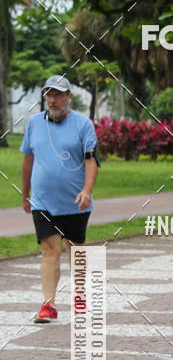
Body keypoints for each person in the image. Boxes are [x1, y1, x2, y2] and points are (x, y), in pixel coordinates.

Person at [21, 75, 99, 323]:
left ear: (69, 97)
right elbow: (28, 160)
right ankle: (48, 304)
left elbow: (91, 161)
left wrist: (87, 190)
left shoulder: (83, 125)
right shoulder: (34, 124)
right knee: (49, 249)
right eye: (49, 95)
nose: (52, 100)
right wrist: (25, 194)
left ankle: (80, 298)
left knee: (75, 249)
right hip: (43, 201)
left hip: (76, 202)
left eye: (57, 95)